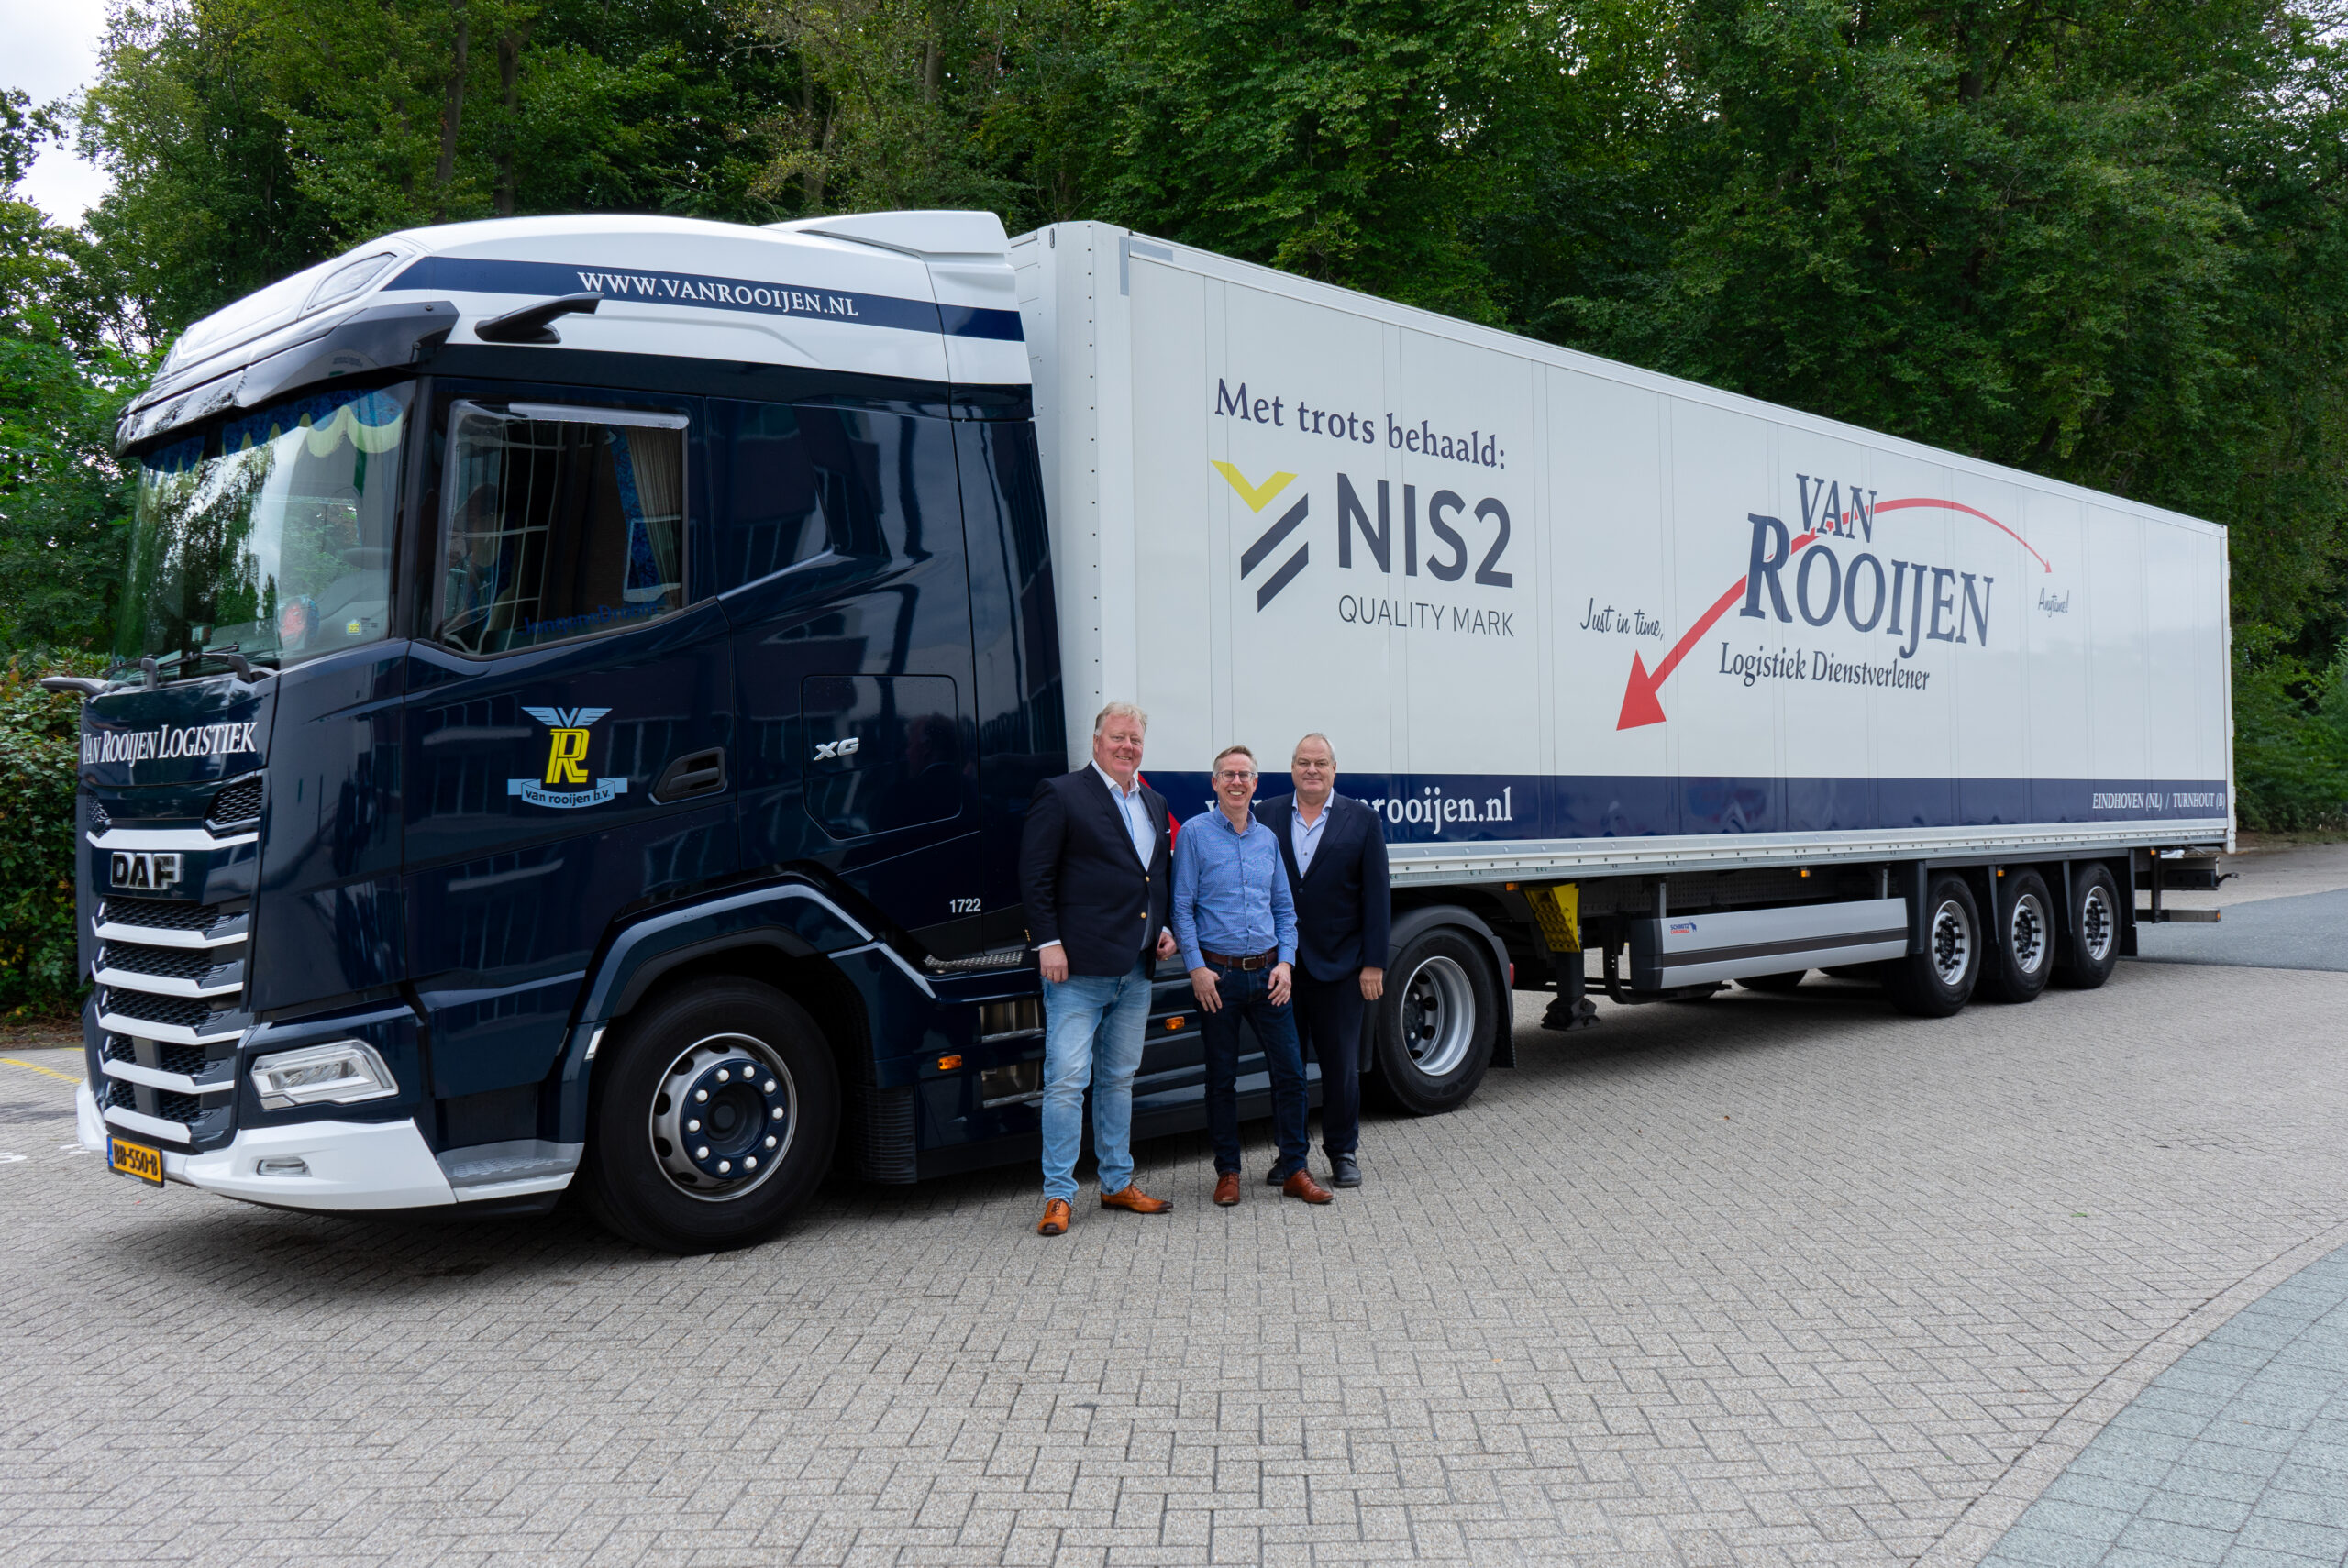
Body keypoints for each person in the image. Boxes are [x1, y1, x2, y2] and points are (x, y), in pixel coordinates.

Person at [1017, 702, 1180, 1236]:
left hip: (1136, 968)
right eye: (1118, 737)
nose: (1127, 746)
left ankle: (1116, 1183)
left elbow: (1156, 876)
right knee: (1066, 1082)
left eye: (1135, 739)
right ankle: (1059, 1195)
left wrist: (1164, 926)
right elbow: (1035, 875)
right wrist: (1048, 943)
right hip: (1077, 970)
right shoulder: (1062, 794)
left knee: (1118, 1080)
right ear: (1096, 741)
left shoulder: (1153, 802)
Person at [1171, 745, 1333, 1208]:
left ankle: (1295, 1169)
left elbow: (1284, 908)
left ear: (1255, 784)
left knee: (1291, 1074)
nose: (1237, 782)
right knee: (1221, 1078)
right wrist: (1196, 968)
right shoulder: (1195, 835)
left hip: (1268, 977)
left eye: (1245, 775)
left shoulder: (1267, 840)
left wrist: (1286, 963)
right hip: (1218, 979)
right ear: (1215, 783)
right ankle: (1228, 1172)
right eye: (1228, 775)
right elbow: (1181, 908)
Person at [1257, 733, 1390, 1188]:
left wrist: (1374, 963)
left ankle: (1342, 1153)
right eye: (1303, 762)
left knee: (1341, 1068)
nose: (1311, 770)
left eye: (1320, 763)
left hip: (1341, 967)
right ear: (1291, 768)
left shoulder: (1363, 819)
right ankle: (1290, 1156)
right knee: (1286, 1068)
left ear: (1335, 769)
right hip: (1281, 967)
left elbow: (1377, 896)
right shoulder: (1266, 814)